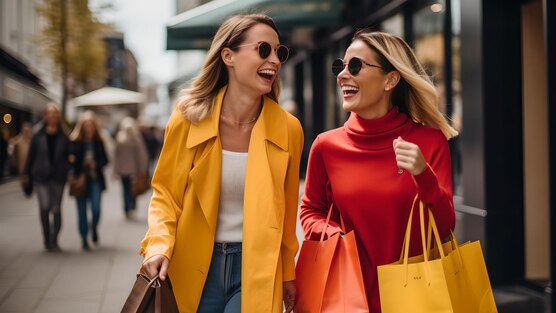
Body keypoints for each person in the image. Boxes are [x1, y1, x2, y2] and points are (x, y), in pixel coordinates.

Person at [138, 14, 303, 313]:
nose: (275, 60)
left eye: (280, 52)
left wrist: (288, 272)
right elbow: (165, 194)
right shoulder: (188, 118)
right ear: (228, 55)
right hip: (194, 264)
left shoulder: (289, 129)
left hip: (258, 266)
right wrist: (158, 245)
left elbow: (287, 211)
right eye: (263, 49)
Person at [299, 30, 458, 313]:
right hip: (345, 296)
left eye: (355, 66)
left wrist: (423, 174)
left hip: (414, 296)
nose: (342, 75)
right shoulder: (326, 146)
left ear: (390, 79)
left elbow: (444, 227)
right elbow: (311, 210)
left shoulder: (429, 142)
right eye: (341, 66)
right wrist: (331, 232)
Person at [23, 103, 70, 251]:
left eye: (55, 113)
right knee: (44, 207)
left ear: (58, 116)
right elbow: (31, 155)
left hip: (58, 177)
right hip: (41, 177)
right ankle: (46, 238)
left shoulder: (64, 135)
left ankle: (54, 239)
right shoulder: (37, 134)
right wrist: (26, 173)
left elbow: (70, 154)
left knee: (56, 208)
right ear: (45, 116)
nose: (52, 116)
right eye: (49, 113)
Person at [69, 111, 109, 250]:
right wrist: (79, 162)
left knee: (96, 209)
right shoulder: (75, 141)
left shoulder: (99, 141)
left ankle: (93, 228)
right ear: (81, 126)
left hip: (95, 180)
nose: (88, 127)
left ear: (94, 126)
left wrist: (95, 163)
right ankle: (84, 237)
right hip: (80, 180)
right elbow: (70, 161)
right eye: (86, 125)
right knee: (81, 211)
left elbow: (106, 160)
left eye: (91, 124)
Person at [113, 117, 149, 219]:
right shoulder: (123, 138)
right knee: (127, 189)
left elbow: (141, 155)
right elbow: (117, 156)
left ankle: (129, 207)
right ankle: (128, 208)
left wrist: (142, 169)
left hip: (131, 170)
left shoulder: (135, 138)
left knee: (130, 189)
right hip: (127, 170)